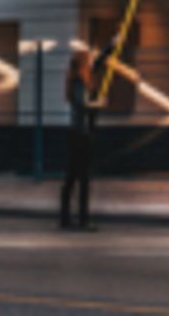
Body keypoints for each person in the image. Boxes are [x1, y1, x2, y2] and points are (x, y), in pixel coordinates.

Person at [60, 47, 105, 230]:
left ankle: (68, 219)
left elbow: (101, 61)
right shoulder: (79, 82)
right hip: (79, 135)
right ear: (82, 64)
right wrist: (98, 103)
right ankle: (81, 220)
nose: (91, 62)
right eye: (88, 60)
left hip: (79, 134)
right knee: (79, 179)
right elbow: (83, 105)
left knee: (74, 178)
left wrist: (113, 42)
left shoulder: (81, 80)